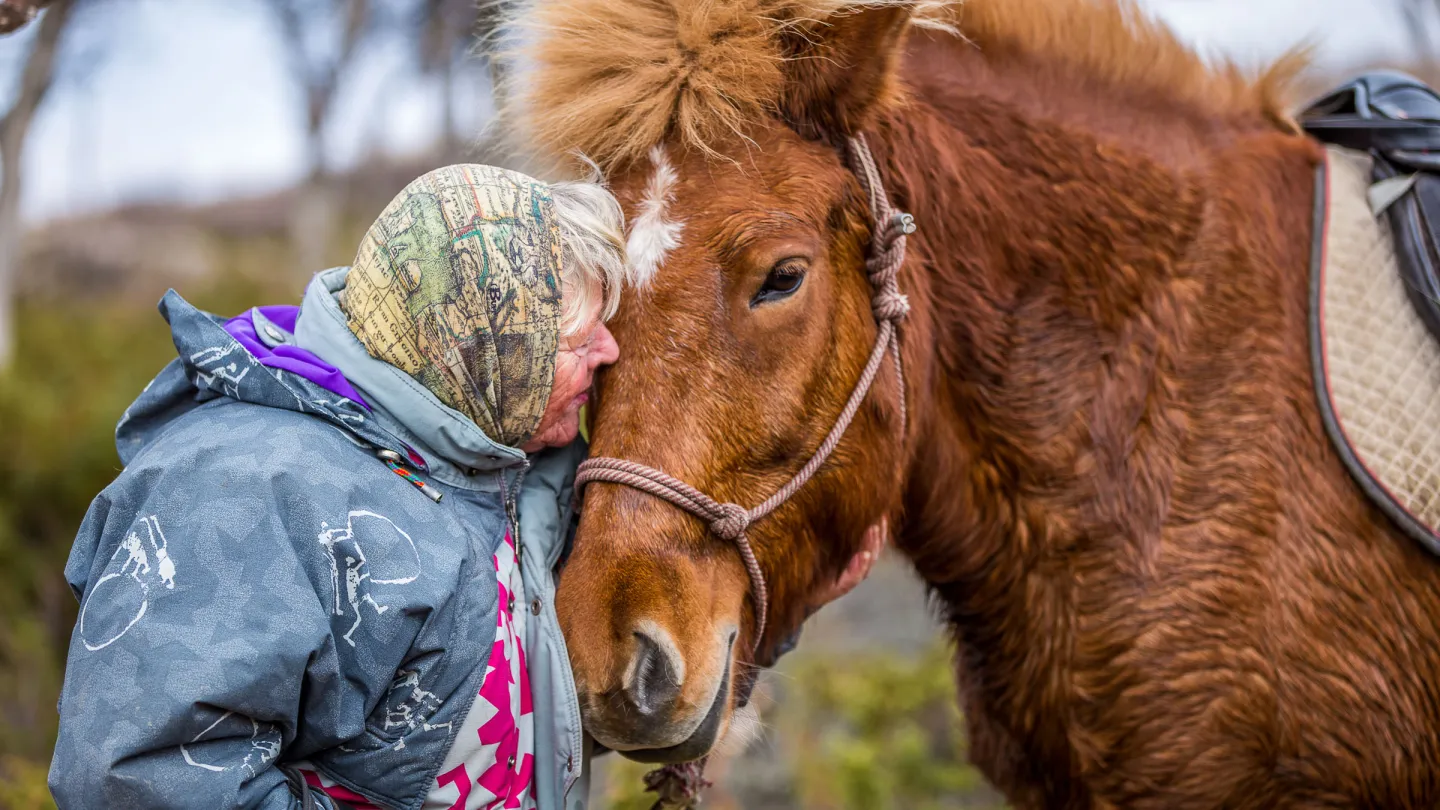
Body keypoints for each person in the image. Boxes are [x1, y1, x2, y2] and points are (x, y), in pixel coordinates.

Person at [47, 164, 625, 810]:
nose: (609, 351)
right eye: (578, 339)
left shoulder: (487, 463)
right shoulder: (251, 492)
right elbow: (136, 782)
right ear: (486, 349)